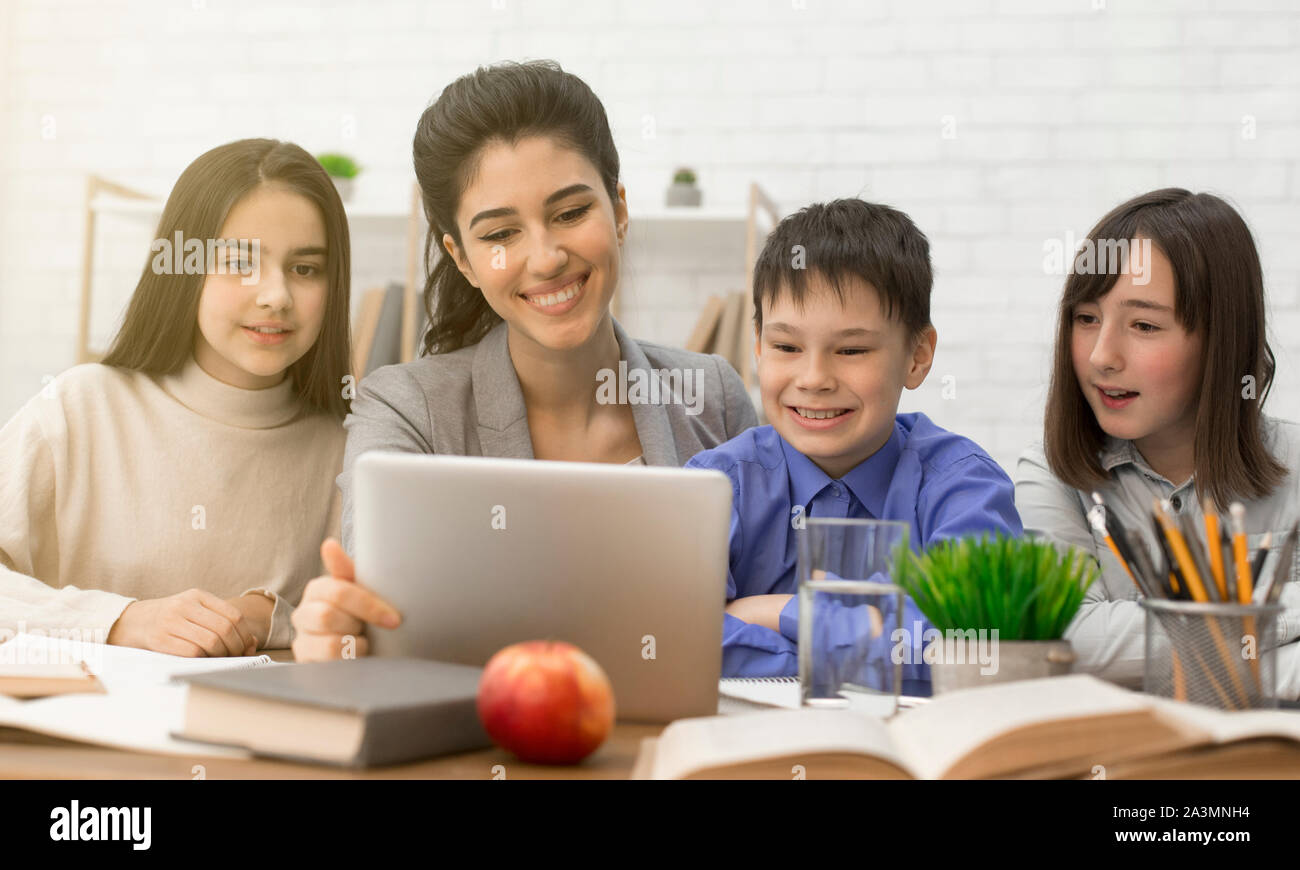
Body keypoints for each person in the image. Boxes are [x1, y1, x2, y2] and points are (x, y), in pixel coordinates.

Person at [291, 61, 757, 662]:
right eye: (500, 234)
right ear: (462, 258)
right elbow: (375, 618)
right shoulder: (406, 410)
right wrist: (338, 631)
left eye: (569, 213)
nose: (545, 258)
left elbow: (781, 604)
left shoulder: (712, 395)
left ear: (618, 210)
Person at [0, 138, 350, 656]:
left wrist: (274, 618)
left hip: (257, 734)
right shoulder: (79, 408)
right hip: (79, 728)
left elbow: (368, 628)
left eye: (305, 269)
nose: (276, 295)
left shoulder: (347, 445)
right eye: (240, 262)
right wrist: (124, 619)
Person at [685, 198, 1022, 690]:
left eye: (852, 350)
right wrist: (865, 646)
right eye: (786, 347)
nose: (814, 378)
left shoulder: (964, 485)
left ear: (917, 356)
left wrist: (783, 613)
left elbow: (974, 649)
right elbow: (673, 635)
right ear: (757, 347)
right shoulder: (717, 485)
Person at [1015, 188, 1300, 697]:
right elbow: (1065, 642)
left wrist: (1147, 653)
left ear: (1222, 339)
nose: (1102, 356)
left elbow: (1105, 655)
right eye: (1086, 319)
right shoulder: (1051, 476)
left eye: (1144, 325)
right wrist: (1273, 613)